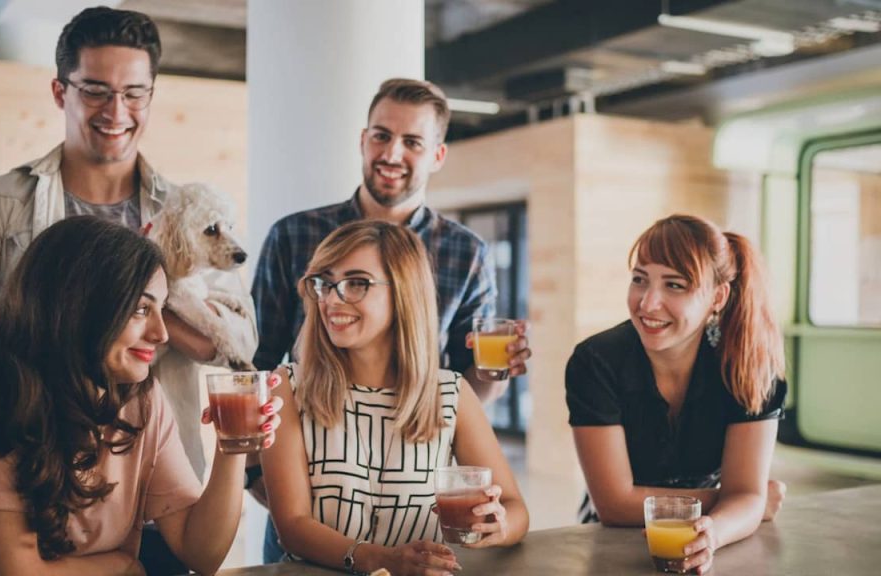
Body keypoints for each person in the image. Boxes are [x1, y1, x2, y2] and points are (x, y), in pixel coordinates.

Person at [0, 8, 255, 572]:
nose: (117, 111)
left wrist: (163, 321)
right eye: (97, 91)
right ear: (61, 92)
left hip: (146, 470)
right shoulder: (0, 206)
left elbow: (236, 337)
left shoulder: (190, 210)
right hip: (33, 475)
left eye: (135, 94)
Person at [250, 78, 531, 562]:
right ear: (363, 140)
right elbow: (254, 364)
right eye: (381, 135)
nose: (334, 299)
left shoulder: (467, 253)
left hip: (417, 465)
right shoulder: (293, 234)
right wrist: (270, 480)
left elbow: (465, 391)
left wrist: (491, 375)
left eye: (412, 142)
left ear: (437, 155)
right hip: (313, 492)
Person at [0, 216, 282, 575]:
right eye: (141, 308)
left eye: (161, 308)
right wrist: (120, 565)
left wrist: (232, 446)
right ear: (80, 305)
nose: (161, 333)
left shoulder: (141, 401)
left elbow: (201, 553)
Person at [261, 220, 529, 575]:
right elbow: (292, 526)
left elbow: (515, 509)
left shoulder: (450, 392)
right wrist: (382, 561)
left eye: (356, 283)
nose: (331, 300)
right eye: (325, 284)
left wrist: (499, 525)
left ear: (403, 291)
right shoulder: (287, 387)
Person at [566, 214, 788, 575]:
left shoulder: (751, 367)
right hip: (610, 538)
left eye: (675, 285)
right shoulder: (595, 361)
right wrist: (741, 501)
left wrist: (718, 526)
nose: (648, 303)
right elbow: (613, 504)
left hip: (711, 537)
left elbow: (744, 499)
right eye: (640, 280)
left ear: (718, 296)